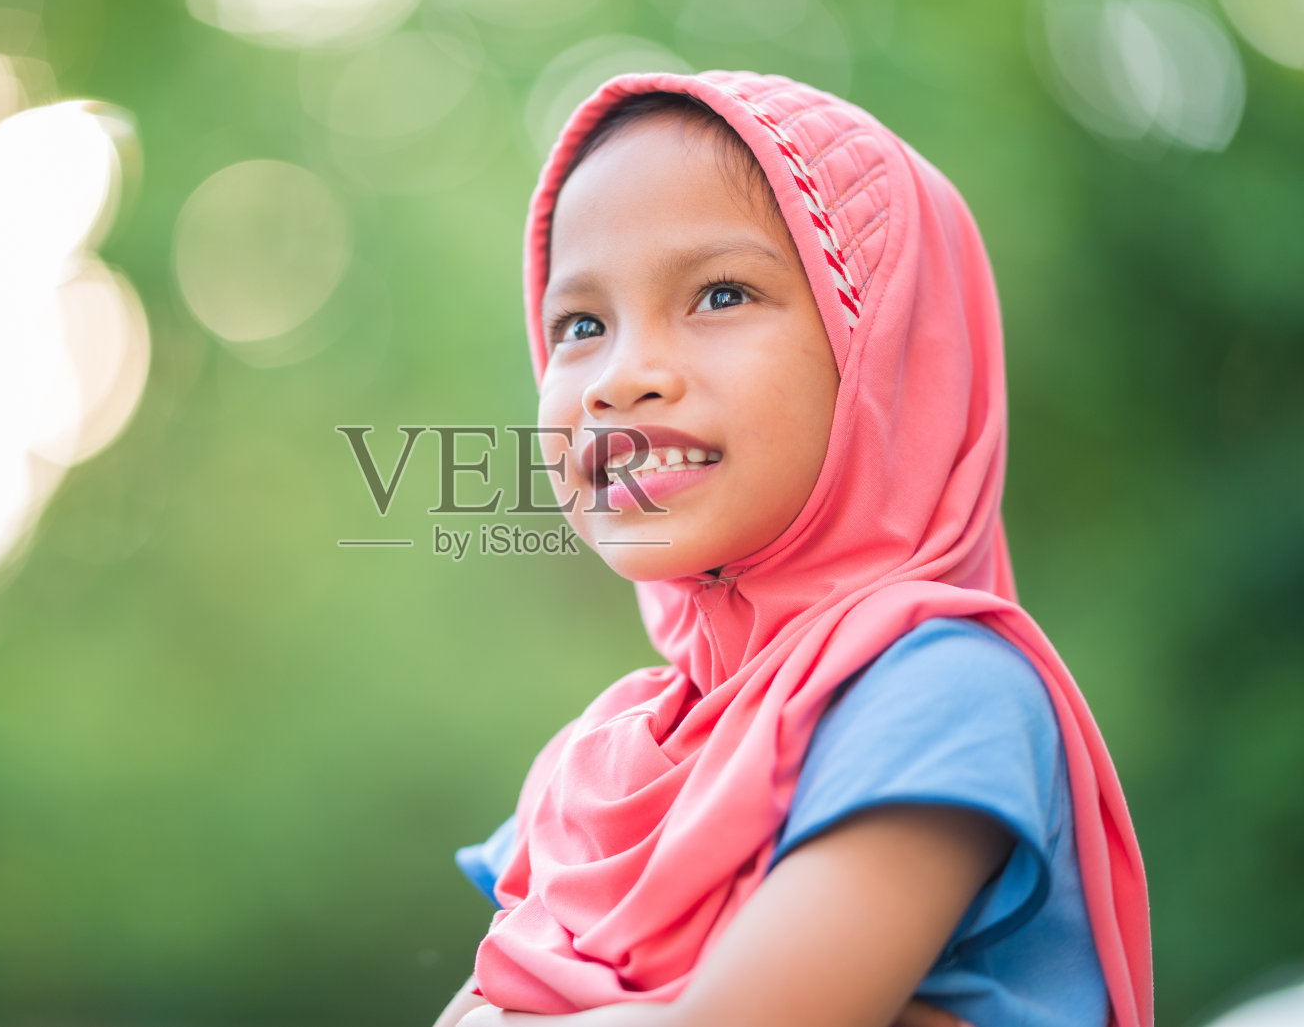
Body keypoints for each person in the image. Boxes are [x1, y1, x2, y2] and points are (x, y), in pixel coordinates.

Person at [431, 71, 1153, 1027]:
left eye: (720, 293)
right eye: (581, 324)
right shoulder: (604, 762)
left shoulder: (945, 691)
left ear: (883, 358)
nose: (620, 377)